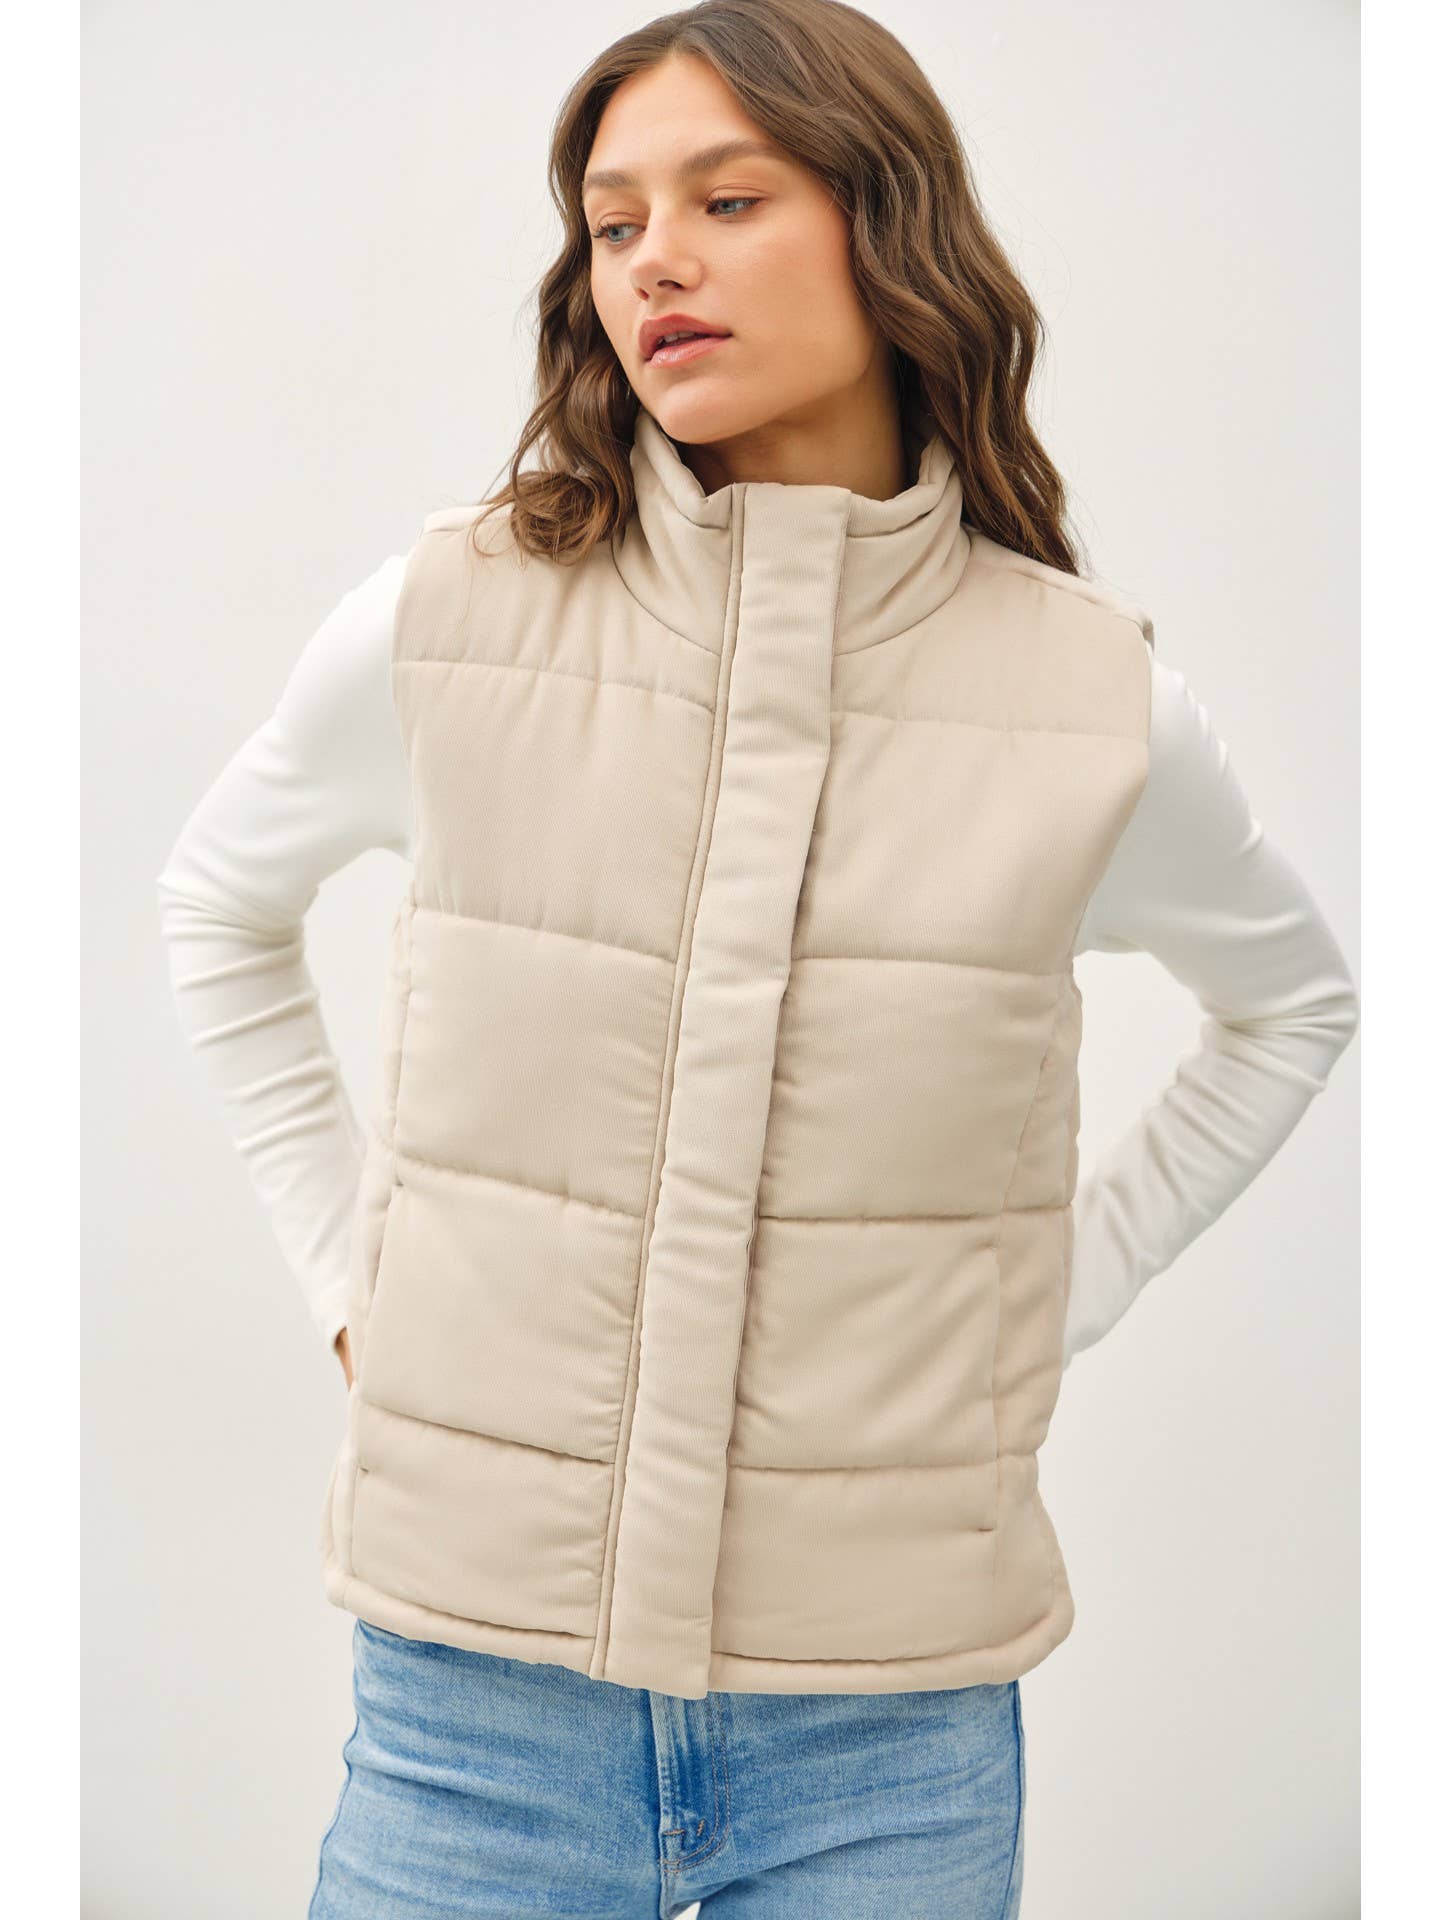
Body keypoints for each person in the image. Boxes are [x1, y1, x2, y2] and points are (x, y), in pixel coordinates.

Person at [155, 3, 1359, 1914]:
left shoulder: (1087, 699)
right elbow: (218, 906)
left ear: (892, 227)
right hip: (475, 1712)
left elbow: (1291, 1004)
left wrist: (1047, 1302)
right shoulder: (452, 618)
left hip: (893, 1734)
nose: (657, 261)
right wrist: (348, 1281)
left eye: (727, 200)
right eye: (613, 222)